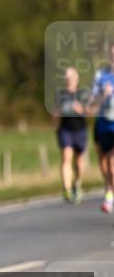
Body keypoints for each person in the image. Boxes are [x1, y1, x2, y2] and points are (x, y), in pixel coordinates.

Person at [55, 67, 89, 204]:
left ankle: (77, 183)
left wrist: (80, 109)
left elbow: (89, 111)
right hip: (65, 129)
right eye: (66, 77)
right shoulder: (60, 94)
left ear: (76, 79)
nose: (68, 79)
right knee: (66, 156)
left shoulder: (83, 94)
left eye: (71, 77)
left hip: (80, 129)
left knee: (79, 162)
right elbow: (55, 113)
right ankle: (67, 189)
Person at [89, 43, 114, 214]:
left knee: (112, 165)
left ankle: (109, 198)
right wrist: (102, 95)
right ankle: (109, 194)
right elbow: (91, 102)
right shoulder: (101, 75)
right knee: (104, 166)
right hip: (101, 124)